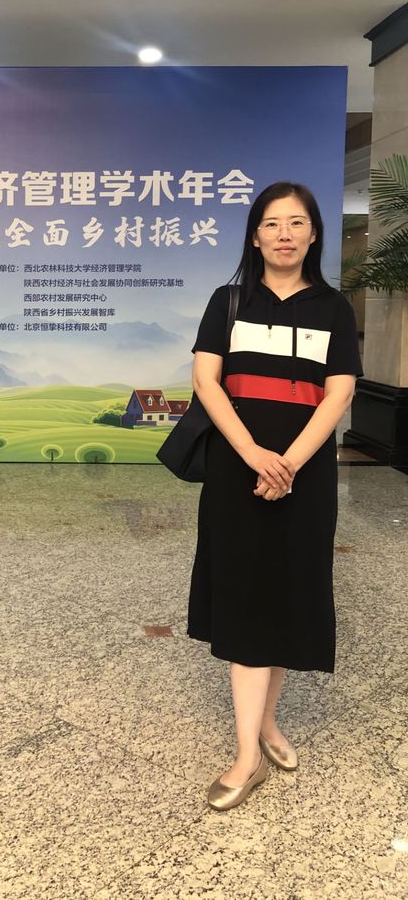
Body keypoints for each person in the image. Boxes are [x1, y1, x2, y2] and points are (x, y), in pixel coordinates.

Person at [188, 181, 362, 811]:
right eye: (271, 223)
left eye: (296, 223)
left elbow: (339, 393)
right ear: (255, 236)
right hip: (237, 472)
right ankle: (247, 756)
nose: (284, 234)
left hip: (305, 477)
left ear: (313, 234)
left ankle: (266, 722)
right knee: (245, 597)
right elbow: (206, 381)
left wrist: (288, 463)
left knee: (286, 592)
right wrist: (254, 455)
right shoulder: (229, 300)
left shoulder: (334, 308)